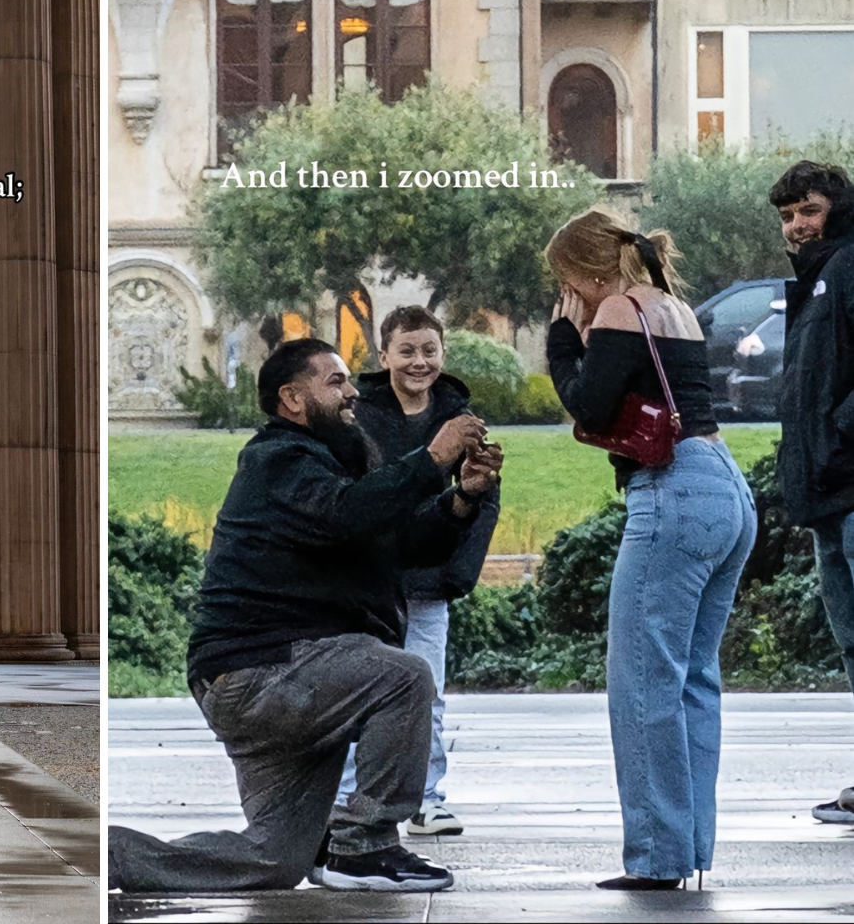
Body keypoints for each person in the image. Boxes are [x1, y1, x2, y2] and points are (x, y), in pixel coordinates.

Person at [108, 338, 501, 893]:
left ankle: (107, 857)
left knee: (273, 859)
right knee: (403, 676)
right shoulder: (279, 460)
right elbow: (347, 514)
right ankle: (365, 848)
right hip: (263, 674)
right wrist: (433, 457)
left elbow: (404, 543)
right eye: (336, 382)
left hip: (278, 680)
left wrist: (462, 497)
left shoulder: (330, 464)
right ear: (293, 399)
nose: (352, 396)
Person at [545, 207, 756, 889]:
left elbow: (589, 406)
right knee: (694, 678)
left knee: (642, 680)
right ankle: (688, 846)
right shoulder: (674, 305)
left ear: (586, 272)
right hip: (725, 486)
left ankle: (658, 858)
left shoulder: (617, 312)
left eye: (566, 280)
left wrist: (560, 337)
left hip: (671, 494)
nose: (567, 293)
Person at [335, 307, 501, 838]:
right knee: (355, 691)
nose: (419, 361)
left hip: (428, 584)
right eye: (406, 350)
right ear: (384, 356)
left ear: (443, 354)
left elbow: (482, 500)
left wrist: (457, 574)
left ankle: (426, 797)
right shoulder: (357, 417)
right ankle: (344, 797)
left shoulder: (462, 417)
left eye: (429, 350)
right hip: (365, 583)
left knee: (426, 695)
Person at [767, 160, 854, 825]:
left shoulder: (848, 268)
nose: (797, 225)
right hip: (830, 493)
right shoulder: (820, 277)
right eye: (788, 215)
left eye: (809, 210)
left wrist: (837, 439)